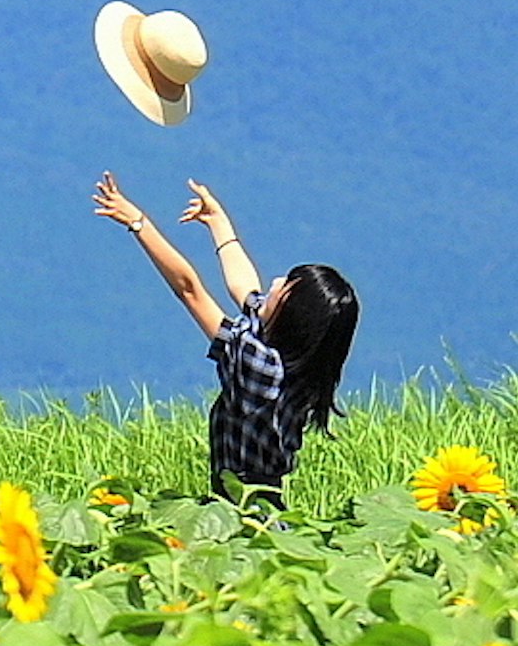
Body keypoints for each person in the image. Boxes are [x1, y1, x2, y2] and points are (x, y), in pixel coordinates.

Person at [92, 173, 357, 504]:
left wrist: (137, 222)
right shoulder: (295, 356)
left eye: (285, 285)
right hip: (262, 499)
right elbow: (244, 288)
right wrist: (218, 222)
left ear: (294, 316)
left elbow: (189, 290)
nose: (274, 282)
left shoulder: (260, 367)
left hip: (244, 506)